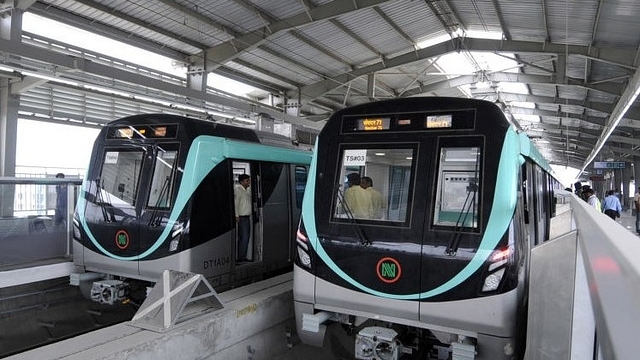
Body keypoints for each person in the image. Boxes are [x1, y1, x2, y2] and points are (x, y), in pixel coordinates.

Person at [234, 174, 252, 262]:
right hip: (241, 217)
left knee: (245, 237)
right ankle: (241, 257)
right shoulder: (238, 189)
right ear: (241, 181)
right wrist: (236, 215)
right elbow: (236, 203)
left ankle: (242, 256)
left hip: (247, 217)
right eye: (247, 180)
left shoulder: (248, 189)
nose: (248, 182)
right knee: (244, 237)